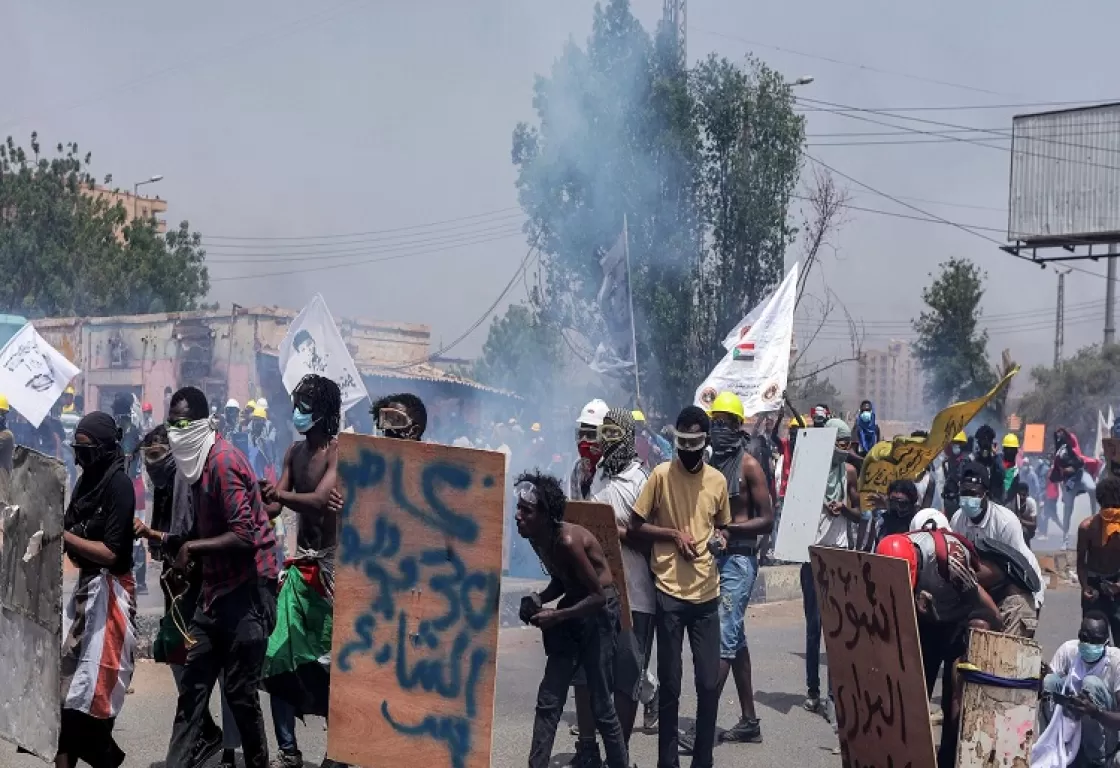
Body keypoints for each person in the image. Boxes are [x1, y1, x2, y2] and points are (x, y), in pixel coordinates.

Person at [163, 387, 280, 768]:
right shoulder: (192, 463)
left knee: (240, 693)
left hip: (249, 589)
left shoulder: (224, 461)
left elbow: (244, 536)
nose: (175, 430)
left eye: (183, 422)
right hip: (214, 591)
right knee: (193, 687)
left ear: (200, 423)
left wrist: (193, 550)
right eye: (171, 423)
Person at [134, 425, 242, 768]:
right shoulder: (164, 485)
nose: (152, 463)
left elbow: (188, 534)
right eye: (147, 456)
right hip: (176, 585)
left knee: (221, 669)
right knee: (178, 656)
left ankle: (226, 747)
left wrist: (155, 535)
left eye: (156, 455)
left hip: (204, 583)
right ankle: (204, 734)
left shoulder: (189, 477)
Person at [630, 406, 731, 768]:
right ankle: (667, 763)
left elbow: (724, 528)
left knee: (707, 684)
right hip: (669, 594)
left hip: (706, 595)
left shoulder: (717, 481)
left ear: (704, 444)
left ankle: (703, 760)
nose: (688, 451)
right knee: (670, 686)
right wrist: (673, 535)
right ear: (676, 440)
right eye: (682, 443)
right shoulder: (659, 476)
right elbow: (635, 526)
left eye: (695, 443)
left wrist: (720, 539)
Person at [516, 471, 630, 768]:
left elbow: (598, 595)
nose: (518, 516)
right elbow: (563, 579)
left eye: (526, 511)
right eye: (519, 508)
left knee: (602, 704)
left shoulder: (566, 540)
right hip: (575, 608)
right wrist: (540, 600)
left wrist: (557, 615)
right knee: (549, 699)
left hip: (599, 611)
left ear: (544, 515)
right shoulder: (536, 537)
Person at [260, 375, 346, 768]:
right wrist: (261, 498)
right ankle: (288, 750)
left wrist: (279, 495)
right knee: (279, 656)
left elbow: (320, 502)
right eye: (296, 402)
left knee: (330, 666)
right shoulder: (294, 451)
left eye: (306, 404)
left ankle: (338, 751)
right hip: (297, 568)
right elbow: (278, 505)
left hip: (331, 570)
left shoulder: (336, 454)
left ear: (324, 411)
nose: (297, 411)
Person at [875, 531, 1001, 768]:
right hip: (927, 621)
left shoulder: (952, 562)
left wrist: (939, 615)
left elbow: (971, 604)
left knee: (953, 699)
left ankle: (947, 759)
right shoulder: (889, 550)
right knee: (918, 693)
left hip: (955, 619)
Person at [58, 412, 138, 768]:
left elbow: (110, 552)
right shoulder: (84, 484)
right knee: (67, 703)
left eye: (86, 451)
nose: (79, 459)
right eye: (77, 450)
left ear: (104, 449)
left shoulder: (118, 485)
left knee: (90, 703)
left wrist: (67, 537)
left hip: (111, 599)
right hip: (85, 593)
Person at [704, 392, 773, 746]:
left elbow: (767, 519)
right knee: (736, 640)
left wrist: (731, 530)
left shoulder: (749, 466)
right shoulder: (710, 464)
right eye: (714, 423)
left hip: (740, 561)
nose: (718, 430)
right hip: (715, 559)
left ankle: (703, 724)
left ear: (738, 427)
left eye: (726, 423)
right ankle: (749, 721)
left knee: (723, 642)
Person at [802, 418, 861, 716]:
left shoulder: (849, 472)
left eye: (847, 443)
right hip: (811, 556)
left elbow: (859, 514)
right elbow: (796, 507)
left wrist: (844, 508)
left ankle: (832, 694)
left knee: (834, 629)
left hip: (837, 555)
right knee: (813, 627)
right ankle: (812, 690)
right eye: (839, 442)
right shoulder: (809, 470)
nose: (844, 448)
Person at [950, 461, 1044, 638]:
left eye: (973, 494)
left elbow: (1021, 568)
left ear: (985, 494)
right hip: (980, 588)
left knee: (1010, 645)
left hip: (1019, 584)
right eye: (964, 493)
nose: (967, 499)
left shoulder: (1005, 522)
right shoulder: (957, 520)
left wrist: (1033, 607)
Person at [1033, 611, 1120, 768]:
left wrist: (1094, 712)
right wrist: (1040, 677)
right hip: (1071, 728)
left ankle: (1096, 761)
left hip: (1104, 737)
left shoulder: (1116, 662)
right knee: (1050, 682)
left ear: (1106, 642)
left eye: (1094, 640)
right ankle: (1053, 748)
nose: (1087, 644)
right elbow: (1044, 691)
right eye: (1084, 637)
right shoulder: (1069, 650)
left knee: (1091, 684)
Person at [1077, 476, 1120, 645]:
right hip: (1094, 584)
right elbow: (1081, 562)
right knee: (1092, 638)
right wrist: (1085, 586)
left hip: (1117, 583)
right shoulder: (1087, 527)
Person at [1052, 428, 1101, 549]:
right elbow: (1059, 469)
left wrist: (1063, 429)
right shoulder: (1059, 452)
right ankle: (1065, 540)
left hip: (1081, 474)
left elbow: (1069, 436)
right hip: (1069, 481)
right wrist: (1065, 471)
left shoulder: (1072, 442)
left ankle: (1094, 518)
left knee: (1092, 488)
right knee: (1067, 510)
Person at [569, 399, 609, 500]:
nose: (584, 441)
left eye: (591, 435)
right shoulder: (577, 468)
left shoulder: (611, 469)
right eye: (581, 434)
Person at [872, 479, 921, 545]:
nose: (897, 508)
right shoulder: (881, 522)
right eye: (893, 503)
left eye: (901, 504)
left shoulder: (918, 526)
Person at [971, 425, 1007, 503]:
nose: (985, 444)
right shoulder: (973, 460)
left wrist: (995, 455)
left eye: (988, 441)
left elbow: (1003, 475)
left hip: (995, 502)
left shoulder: (997, 459)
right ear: (978, 442)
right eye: (983, 440)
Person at [940, 431, 969, 516]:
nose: (956, 445)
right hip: (948, 500)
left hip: (961, 501)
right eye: (954, 443)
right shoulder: (946, 462)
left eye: (958, 443)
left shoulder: (966, 461)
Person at [1008, 480, 1038, 546]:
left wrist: (1021, 521)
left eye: (1024, 495)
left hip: (1027, 529)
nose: (1021, 497)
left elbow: (1034, 524)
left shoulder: (1031, 503)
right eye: (1019, 495)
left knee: (1024, 532)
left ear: (1027, 494)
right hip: (1013, 528)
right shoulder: (1012, 503)